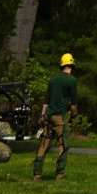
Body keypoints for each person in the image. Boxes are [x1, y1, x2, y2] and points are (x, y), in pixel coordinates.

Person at [33, 52, 78, 181]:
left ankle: (37, 174)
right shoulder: (72, 80)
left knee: (44, 145)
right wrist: (72, 117)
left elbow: (46, 101)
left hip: (48, 116)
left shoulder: (53, 80)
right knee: (63, 145)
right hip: (61, 116)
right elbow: (73, 105)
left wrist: (42, 116)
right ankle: (60, 174)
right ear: (71, 65)